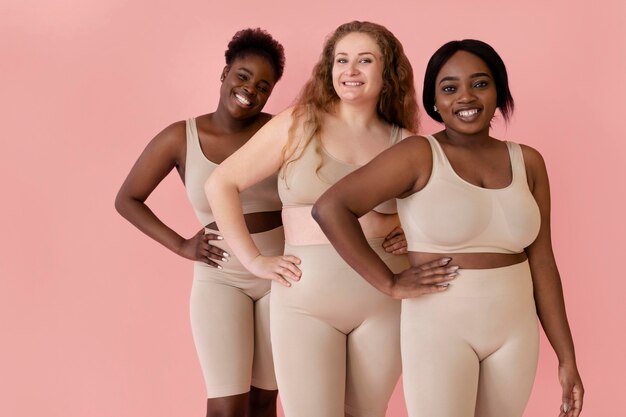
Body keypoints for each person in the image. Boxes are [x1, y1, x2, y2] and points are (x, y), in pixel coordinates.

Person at [313, 39, 584, 417]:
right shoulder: (419, 155)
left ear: (499, 91)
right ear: (434, 101)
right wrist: (388, 283)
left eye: (480, 83)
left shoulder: (529, 162)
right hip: (438, 329)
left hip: (515, 332)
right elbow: (330, 208)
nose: (465, 97)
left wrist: (566, 357)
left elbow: (542, 262)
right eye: (449, 88)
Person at [205, 21, 457, 417]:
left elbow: (441, 216)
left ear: (387, 71)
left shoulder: (408, 144)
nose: (350, 70)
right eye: (342, 60)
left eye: (364, 60)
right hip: (305, 305)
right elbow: (221, 183)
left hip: (383, 304)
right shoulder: (299, 122)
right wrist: (254, 260)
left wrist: (407, 229)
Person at [115, 28, 286, 417]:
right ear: (224, 73)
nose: (250, 90)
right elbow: (127, 199)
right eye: (243, 76)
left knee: (264, 401)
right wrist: (180, 245)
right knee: (227, 406)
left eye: (263, 86)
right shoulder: (181, 137)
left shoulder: (279, 131)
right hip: (221, 277)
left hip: (280, 273)